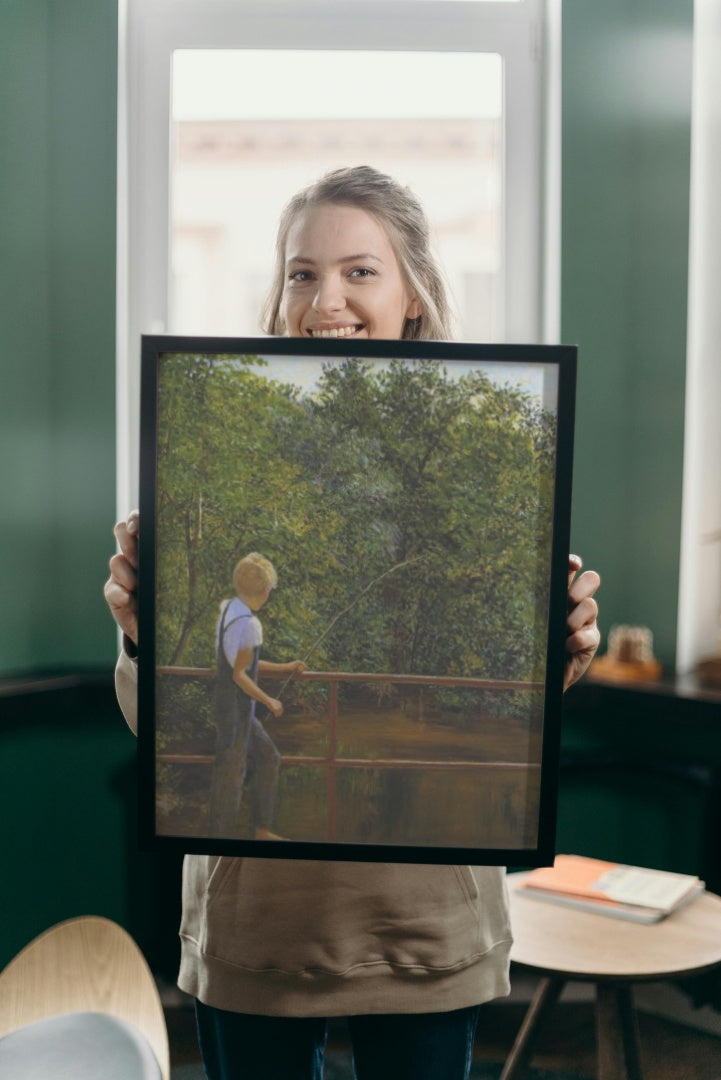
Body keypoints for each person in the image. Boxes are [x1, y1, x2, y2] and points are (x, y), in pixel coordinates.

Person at [105, 166, 601, 1080]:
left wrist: (557, 652)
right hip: (256, 929)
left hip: (425, 928)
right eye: (301, 272)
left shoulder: (482, 450)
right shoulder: (214, 435)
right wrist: (139, 632)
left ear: (413, 292)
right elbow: (166, 726)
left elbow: (521, 721)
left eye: (359, 271)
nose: (324, 298)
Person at [209, 552, 305, 841]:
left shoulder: (229, 610)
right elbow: (241, 675)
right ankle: (221, 840)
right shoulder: (250, 624)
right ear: (264, 591)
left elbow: (242, 663)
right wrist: (270, 701)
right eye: (269, 590)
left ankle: (262, 829)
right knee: (232, 774)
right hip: (237, 710)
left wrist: (286, 666)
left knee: (268, 757)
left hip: (229, 706)